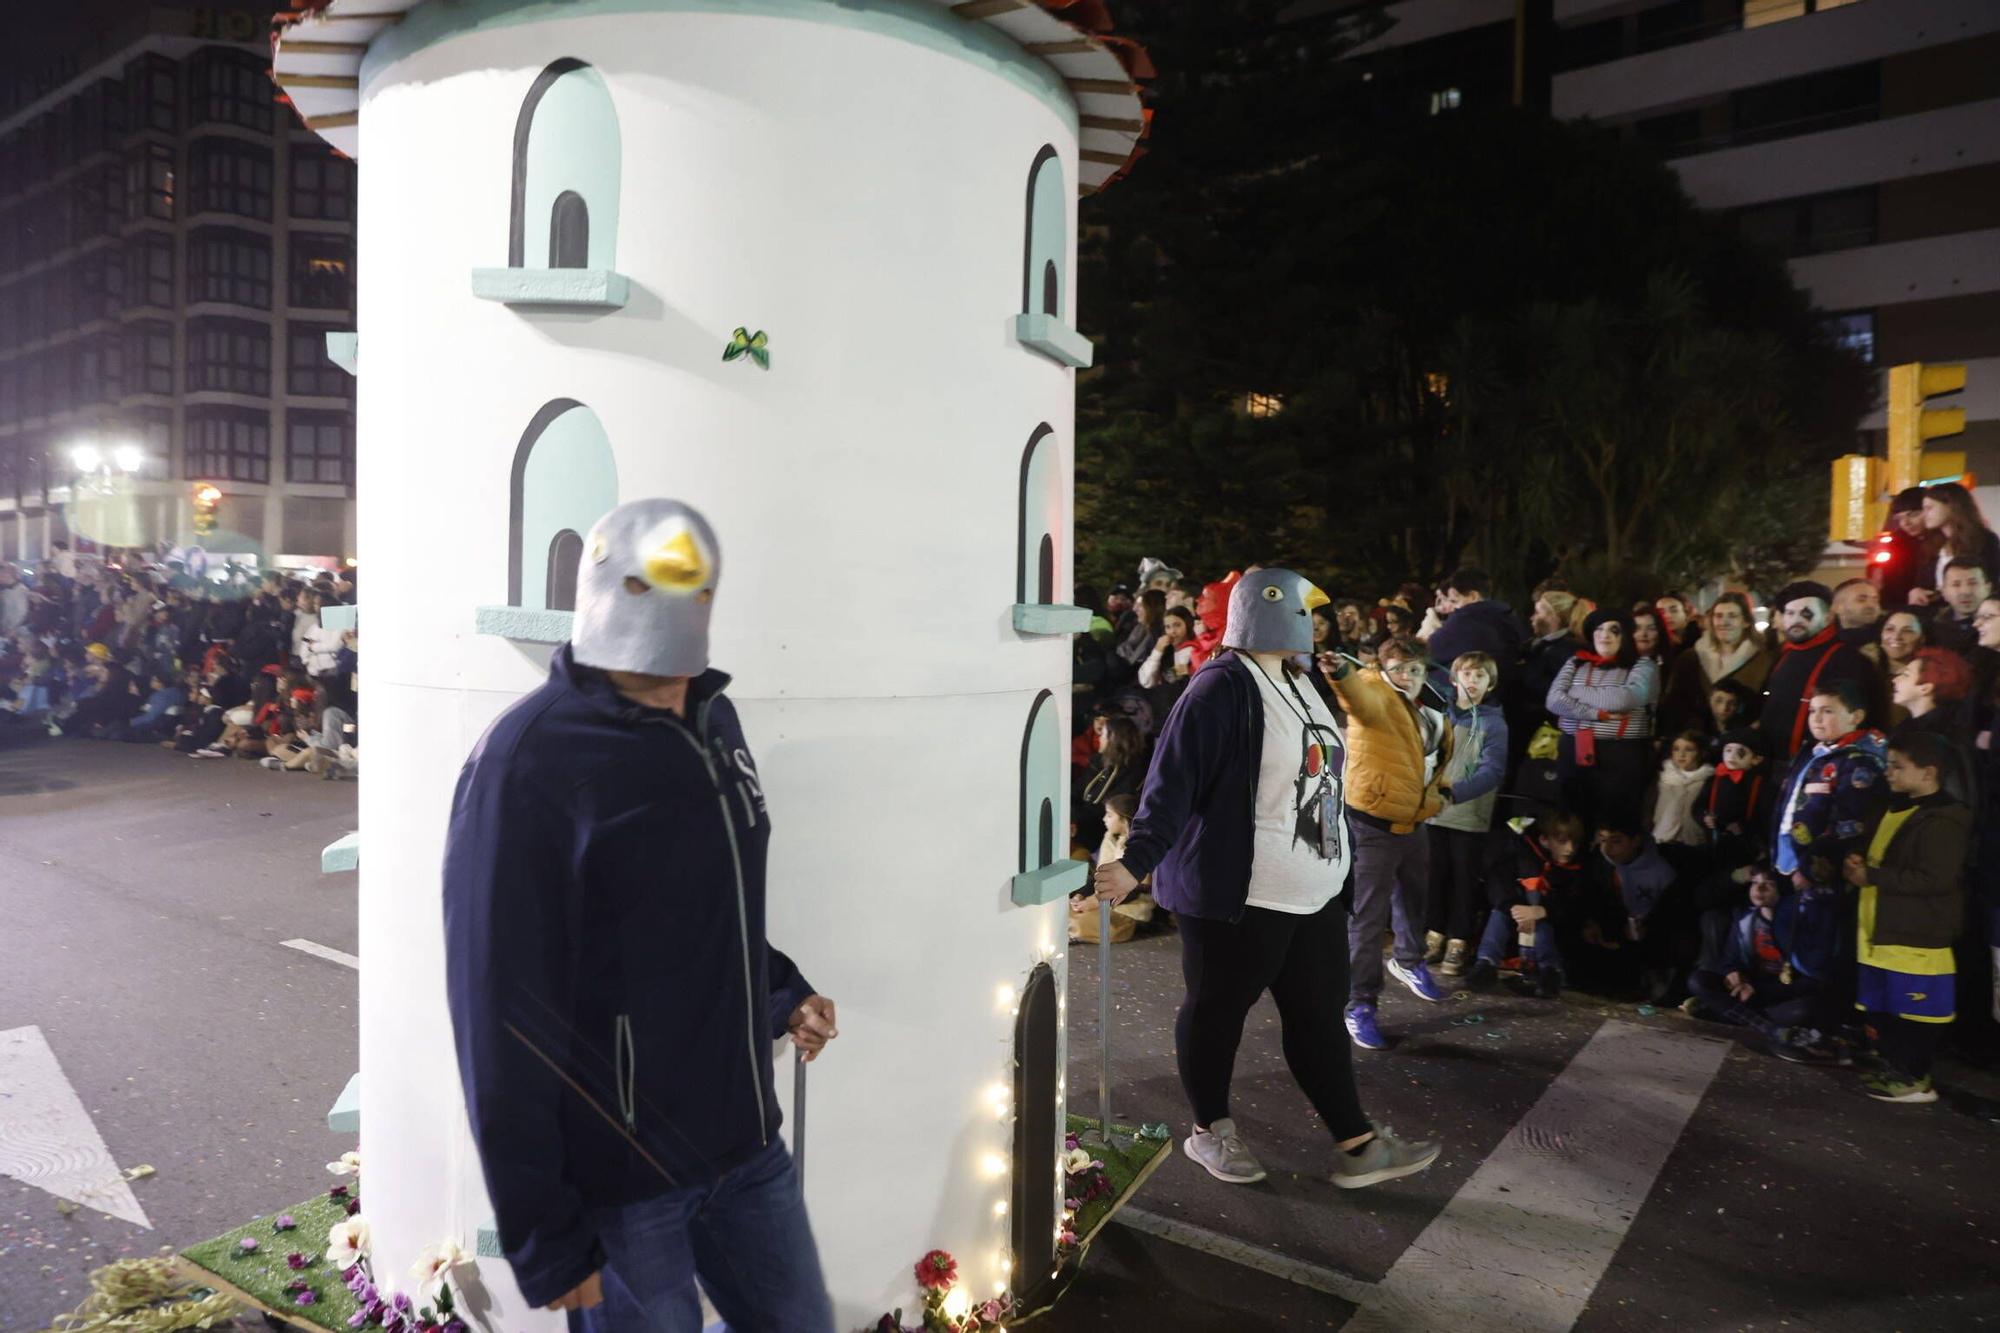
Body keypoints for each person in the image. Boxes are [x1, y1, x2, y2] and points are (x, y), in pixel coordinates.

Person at [443, 499, 837, 1330]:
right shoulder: (529, 764)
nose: (670, 676)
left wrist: (781, 991)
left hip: (745, 1146)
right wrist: (544, 1234)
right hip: (623, 1183)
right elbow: (495, 1005)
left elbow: (706, 903)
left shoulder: (711, 722)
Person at [1095, 570, 1441, 1191]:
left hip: (1312, 891)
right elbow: (1172, 781)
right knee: (1216, 1014)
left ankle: (1357, 1143)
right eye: (1305, 613)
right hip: (1240, 895)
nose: (1316, 624)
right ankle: (1210, 1131)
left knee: (1316, 1017)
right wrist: (1136, 859)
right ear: (1267, 615)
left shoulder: (1302, 677)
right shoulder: (1220, 688)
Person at [1326, 636, 1455, 1049]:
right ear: (1384, 669)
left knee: (1414, 900)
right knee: (1367, 919)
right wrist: (1340, 673)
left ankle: (1408, 960)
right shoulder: (1376, 692)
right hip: (1372, 826)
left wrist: (1441, 795)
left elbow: (1437, 760)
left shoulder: (1430, 708)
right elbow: (1357, 698)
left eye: (1415, 669)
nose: (1408, 677)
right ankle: (1358, 1004)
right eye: (1399, 668)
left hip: (1414, 823)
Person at [1840, 731, 1972, 1103]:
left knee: (1916, 1015)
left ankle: (1914, 1078)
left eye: (1898, 767)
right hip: (1879, 934)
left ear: (1929, 773)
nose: (1889, 773)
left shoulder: (1944, 819)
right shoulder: (1895, 808)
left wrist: (1873, 876)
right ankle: (1897, 1070)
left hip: (1914, 938)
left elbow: (1934, 878)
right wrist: (1857, 862)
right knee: (1885, 1011)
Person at [1685, 864, 1834, 1059]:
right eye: (1754, 883)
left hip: (1779, 994)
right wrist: (1734, 973)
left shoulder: (1799, 924)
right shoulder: (1745, 920)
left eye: (1768, 884)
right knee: (1698, 980)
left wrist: (1759, 990)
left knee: (1805, 1009)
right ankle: (1769, 1029)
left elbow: (1812, 979)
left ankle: (1727, 1013)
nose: (1759, 889)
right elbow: (1730, 959)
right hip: (1749, 991)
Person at [1426, 652, 1509, 977]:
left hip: (1467, 815)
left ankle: (1458, 941)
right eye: (1467, 674)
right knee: (1435, 876)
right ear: (1454, 677)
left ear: (1490, 684)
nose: (1472, 682)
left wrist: (1455, 793)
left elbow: (1492, 770)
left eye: (1480, 676)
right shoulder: (1440, 714)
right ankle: (1432, 934)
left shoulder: (1493, 723)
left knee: (1463, 880)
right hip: (1433, 812)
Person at [1546, 610, 1658, 829]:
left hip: (1621, 754)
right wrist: (1596, 713)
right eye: (1599, 630)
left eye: (1613, 630)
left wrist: (1575, 692)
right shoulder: (1576, 662)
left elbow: (1624, 699)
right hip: (1574, 749)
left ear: (1625, 635)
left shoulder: (1643, 666)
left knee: (1615, 822)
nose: (1604, 635)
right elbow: (1553, 701)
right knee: (1575, 819)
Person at [1466, 810, 1589, 999]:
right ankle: (1486, 963)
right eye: (1562, 841)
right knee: (1500, 913)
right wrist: (1516, 909)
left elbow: (1573, 905)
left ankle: (1551, 971)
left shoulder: (1576, 868)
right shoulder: (1523, 853)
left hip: (1552, 928)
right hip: (1516, 915)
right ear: (1546, 840)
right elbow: (1499, 881)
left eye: (1575, 843)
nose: (1570, 849)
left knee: (1542, 919)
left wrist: (1542, 910)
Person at [1760, 582, 1881, 767]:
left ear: (1827, 617)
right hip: (1775, 763)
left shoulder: (1848, 659)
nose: (1796, 620)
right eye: (1790, 613)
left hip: (1823, 766)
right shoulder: (1784, 654)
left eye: (1806, 613)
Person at [1426, 568, 1526, 688]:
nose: (1454, 608)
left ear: (1473, 596)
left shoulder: (1465, 620)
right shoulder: (1508, 616)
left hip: (1461, 693)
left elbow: (1427, 654)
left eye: (1455, 601)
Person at [1910, 482, 2000, 604]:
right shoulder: (1930, 544)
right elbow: (1923, 583)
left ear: (1951, 506)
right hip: (1936, 612)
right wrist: (1916, 591)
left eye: (1929, 508)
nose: (1924, 515)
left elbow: (1993, 581)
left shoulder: (1985, 540)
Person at [1871, 487, 1936, 609]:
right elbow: (1890, 586)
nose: (1905, 523)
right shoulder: (1897, 543)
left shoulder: (1945, 540)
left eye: (1913, 515)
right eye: (1899, 518)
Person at [1651, 731, 1713, 848]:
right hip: (1662, 840)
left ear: (1701, 753)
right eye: (1676, 749)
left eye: (1689, 749)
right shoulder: (1663, 779)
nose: (1681, 754)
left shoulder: (1707, 781)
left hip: (1694, 843)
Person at [1928, 557, 1992, 656]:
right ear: (1944, 592)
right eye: (1956, 585)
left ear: (1988, 588)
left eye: (1973, 583)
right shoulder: (1931, 631)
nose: (1965, 592)